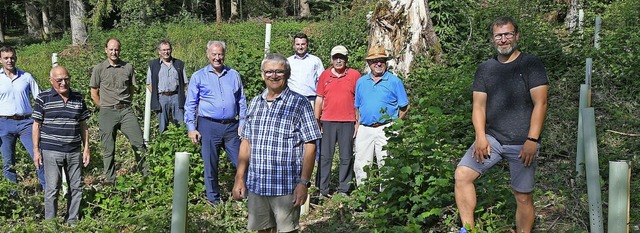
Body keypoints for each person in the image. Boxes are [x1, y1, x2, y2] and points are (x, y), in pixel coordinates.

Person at [454, 16, 549, 233]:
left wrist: (532, 139)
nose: (503, 39)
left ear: (517, 36)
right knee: (462, 175)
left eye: (508, 34)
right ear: (492, 39)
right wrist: (480, 136)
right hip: (493, 138)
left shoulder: (530, 64)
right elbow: (478, 106)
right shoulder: (486, 69)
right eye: (499, 35)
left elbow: (540, 103)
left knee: (523, 196)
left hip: (523, 141)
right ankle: (468, 229)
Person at [232, 53, 321, 232]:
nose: (274, 75)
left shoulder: (300, 103)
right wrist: (239, 178)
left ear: (287, 74)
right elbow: (246, 143)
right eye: (269, 71)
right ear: (262, 74)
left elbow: (310, 145)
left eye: (279, 71)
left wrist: (304, 183)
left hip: (286, 186)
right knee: (262, 230)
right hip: (258, 185)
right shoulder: (256, 103)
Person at [184, 40, 246, 205]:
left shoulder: (233, 75)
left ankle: (244, 194)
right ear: (208, 55)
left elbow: (241, 100)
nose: (217, 58)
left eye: (220, 54)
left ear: (224, 55)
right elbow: (191, 104)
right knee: (210, 164)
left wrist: (243, 122)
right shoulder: (199, 76)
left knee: (241, 161)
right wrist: (191, 128)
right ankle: (214, 200)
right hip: (208, 125)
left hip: (232, 127)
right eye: (214, 54)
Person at [32, 66, 90, 224]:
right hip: (51, 151)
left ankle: (72, 221)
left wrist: (86, 148)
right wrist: (36, 151)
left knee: (76, 187)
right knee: (52, 189)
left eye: (66, 79)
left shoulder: (78, 97)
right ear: (51, 81)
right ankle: (51, 223)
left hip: (73, 150)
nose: (63, 83)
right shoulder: (43, 98)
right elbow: (36, 125)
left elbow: (83, 125)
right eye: (59, 80)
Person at [90, 37, 148, 183]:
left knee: (139, 143)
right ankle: (110, 180)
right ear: (106, 50)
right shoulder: (99, 69)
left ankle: (146, 175)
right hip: (107, 112)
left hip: (126, 111)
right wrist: (103, 107)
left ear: (119, 50)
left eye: (116, 49)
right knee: (108, 148)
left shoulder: (127, 67)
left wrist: (126, 103)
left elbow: (131, 89)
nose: (114, 52)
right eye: (111, 49)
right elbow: (94, 92)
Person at [353, 45, 409, 186]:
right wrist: (357, 123)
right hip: (365, 128)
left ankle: (386, 200)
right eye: (374, 61)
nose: (378, 63)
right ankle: (364, 198)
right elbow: (357, 106)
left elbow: (405, 106)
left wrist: (395, 124)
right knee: (361, 163)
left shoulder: (394, 81)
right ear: (369, 64)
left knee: (386, 164)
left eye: (382, 60)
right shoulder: (361, 82)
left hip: (386, 128)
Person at [315, 45, 361, 196]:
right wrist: (317, 119)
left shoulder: (355, 75)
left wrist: (358, 122)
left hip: (348, 121)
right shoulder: (324, 75)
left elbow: (359, 101)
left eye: (341, 57)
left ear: (346, 59)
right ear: (331, 59)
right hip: (327, 121)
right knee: (325, 157)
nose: (338, 60)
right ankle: (323, 189)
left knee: (346, 156)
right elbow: (319, 98)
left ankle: (344, 189)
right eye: (336, 57)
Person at [0, 45, 46, 189]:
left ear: (16, 58)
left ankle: (49, 191)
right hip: (4, 123)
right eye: (6, 58)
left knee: (38, 156)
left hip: (26, 123)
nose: (9, 61)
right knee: (8, 162)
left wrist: (41, 119)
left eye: (12, 57)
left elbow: (40, 98)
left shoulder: (26, 77)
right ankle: (13, 197)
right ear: (0, 59)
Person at [146, 39, 188, 134]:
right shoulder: (153, 65)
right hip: (162, 97)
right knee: (163, 125)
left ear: (171, 50)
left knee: (181, 124)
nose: (166, 52)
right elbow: (149, 84)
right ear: (159, 51)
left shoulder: (179, 64)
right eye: (164, 50)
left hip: (176, 97)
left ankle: (182, 144)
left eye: (168, 49)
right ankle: (163, 143)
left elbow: (185, 83)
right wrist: (157, 95)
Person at [287, 33, 324, 102]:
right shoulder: (288, 61)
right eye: (298, 44)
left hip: (311, 99)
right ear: (294, 46)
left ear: (307, 45)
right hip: (292, 99)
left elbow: (322, 80)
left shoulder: (316, 60)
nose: (300, 47)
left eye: (303, 44)